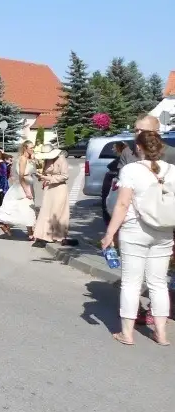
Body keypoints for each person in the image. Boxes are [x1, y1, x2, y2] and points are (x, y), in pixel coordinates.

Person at [101, 130, 173, 346]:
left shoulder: (131, 170)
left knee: (131, 283)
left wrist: (109, 233)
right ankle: (161, 333)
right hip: (164, 231)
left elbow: (123, 204)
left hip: (135, 230)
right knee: (158, 283)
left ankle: (127, 333)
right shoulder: (172, 170)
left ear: (138, 148)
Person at [0, 140, 37, 240]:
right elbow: (21, 176)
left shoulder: (28, 158)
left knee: (21, 207)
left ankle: (5, 224)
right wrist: (26, 190)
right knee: (28, 208)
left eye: (33, 147)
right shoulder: (23, 159)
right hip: (24, 185)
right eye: (31, 148)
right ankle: (30, 233)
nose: (33, 149)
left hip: (28, 184)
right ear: (25, 148)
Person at [33, 144, 70, 245]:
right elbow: (46, 173)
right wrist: (41, 177)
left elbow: (65, 176)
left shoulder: (61, 159)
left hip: (59, 188)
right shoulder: (47, 160)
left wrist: (48, 178)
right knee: (46, 211)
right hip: (49, 188)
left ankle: (59, 235)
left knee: (58, 212)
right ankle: (44, 235)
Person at [102, 141, 127, 225]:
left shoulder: (122, 159)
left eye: (114, 147)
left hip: (114, 184)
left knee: (110, 203)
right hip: (112, 182)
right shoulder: (122, 158)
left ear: (119, 148)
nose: (112, 149)